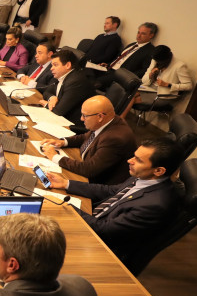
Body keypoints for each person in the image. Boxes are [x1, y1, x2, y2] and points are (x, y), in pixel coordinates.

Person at [46, 138, 184, 272]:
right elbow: (110, 191)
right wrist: (66, 184)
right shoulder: (144, 177)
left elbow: (104, 230)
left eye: (138, 160)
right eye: (134, 156)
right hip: (94, 221)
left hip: (98, 248)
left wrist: (65, 206)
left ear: (159, 171)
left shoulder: (155, 205)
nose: (129, 160)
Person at [40, 95, 137, 184]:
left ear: (100, 117)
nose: (81, 119)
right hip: (83, 164)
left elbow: (89, 169)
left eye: (85, 115)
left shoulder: (115, 138)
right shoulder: (108, 121)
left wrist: (55, 157)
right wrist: (63, 142)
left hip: (96, 184)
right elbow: (86, 137)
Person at [39, 48, 95, 125]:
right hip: (59, 118)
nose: (51, 68)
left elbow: (59, 111)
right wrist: (52, 97)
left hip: (71, 124)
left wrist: (46, 104)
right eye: (52, 65)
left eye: (55, 65)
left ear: (68, 65)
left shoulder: (76, 81)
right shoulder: (60, 75)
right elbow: (47, 91)